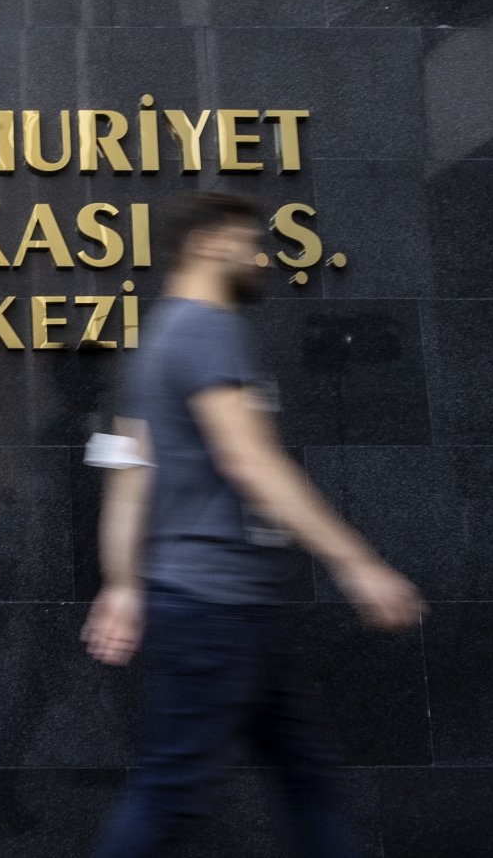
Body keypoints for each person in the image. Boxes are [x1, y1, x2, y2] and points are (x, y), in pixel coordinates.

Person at [81, 191, 423, 858]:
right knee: (171, 792)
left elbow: (127, 476)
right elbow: (249, 459)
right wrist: (356, 563)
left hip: (215, 603)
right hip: (217, 607)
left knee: (306, 779)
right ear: (208, 242)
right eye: (250, 241)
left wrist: (122, 582)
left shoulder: (152, 346)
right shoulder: (209, 327)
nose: (261, 255)